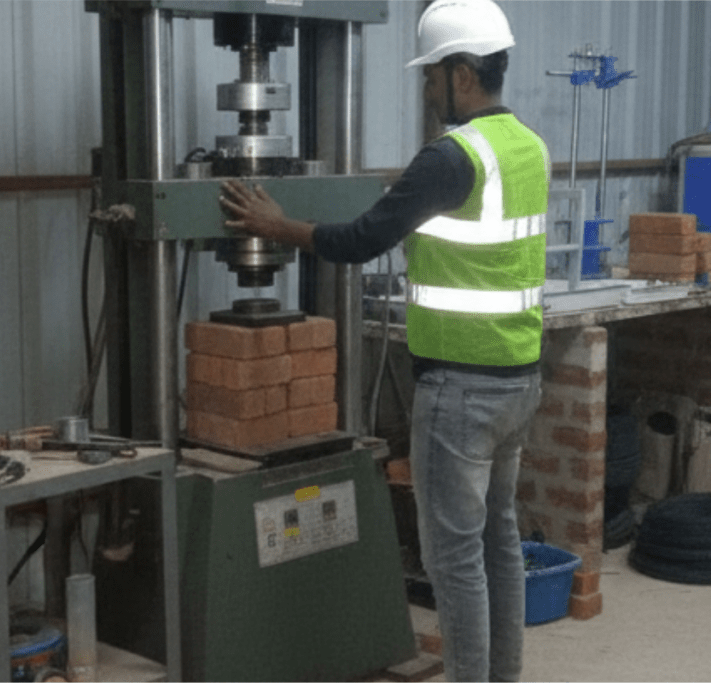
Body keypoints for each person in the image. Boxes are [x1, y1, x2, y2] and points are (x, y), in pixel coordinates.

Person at [219, 1, 549, 681]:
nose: (427, 90)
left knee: (455, 560)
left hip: (460, 391)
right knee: (499, 544)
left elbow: (361, 240)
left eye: (431, 76)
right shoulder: (528, 146)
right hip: (519, 380)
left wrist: (280, 227)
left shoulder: (450, 156)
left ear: (462, 74)